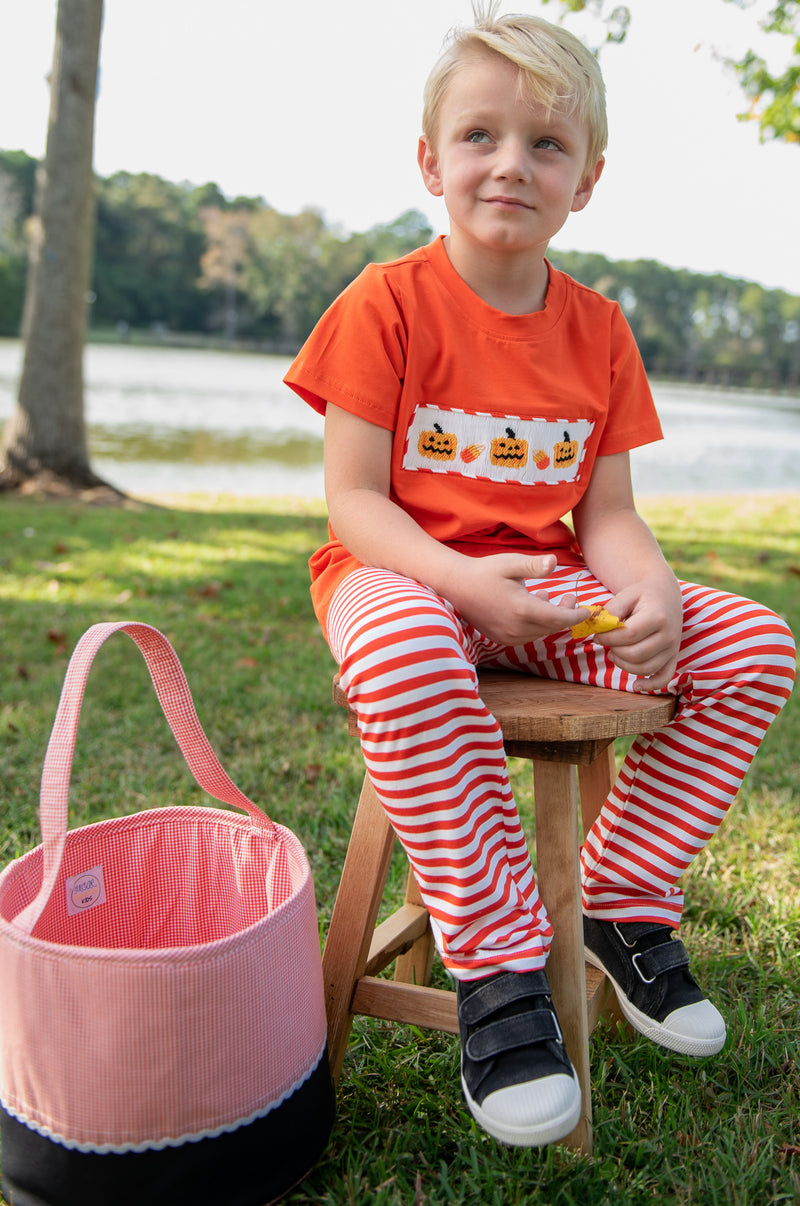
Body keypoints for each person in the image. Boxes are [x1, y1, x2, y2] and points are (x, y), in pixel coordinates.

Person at [284, 3, 796, 1149]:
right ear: (430, 159)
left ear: (588, 179)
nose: (509, 163)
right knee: (409, 642)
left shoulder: (599, 331)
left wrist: (650, 593)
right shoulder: (386, 302)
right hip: (402, 580)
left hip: (548, 589)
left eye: (545, 144)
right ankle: (501, 966)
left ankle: (619, 903)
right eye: (478, 136)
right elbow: (354, 502)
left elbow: (606, 514)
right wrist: (467, 588)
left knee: (754, 644)